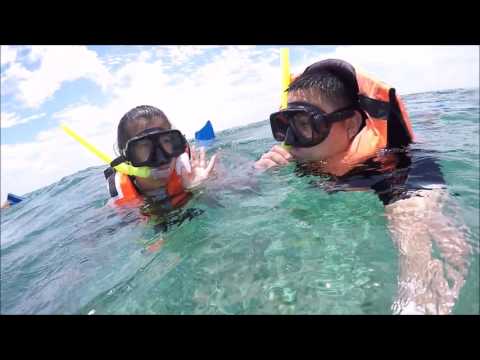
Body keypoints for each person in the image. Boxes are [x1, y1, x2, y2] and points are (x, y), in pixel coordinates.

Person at [255, 59, 471, 315]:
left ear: (350, 125)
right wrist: (258, 175)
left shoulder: (398, 169)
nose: (291, 140)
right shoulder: (301, 161)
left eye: (304, 123)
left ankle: (431, 119)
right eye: (285, 125)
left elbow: (426, 249)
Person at [104, 105, 217, 250]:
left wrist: (201, 188)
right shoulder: (120, 203)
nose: (161, 156)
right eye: (145, 146)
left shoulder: (194, 169)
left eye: (166, 141)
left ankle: (204, 142)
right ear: (128, 158)